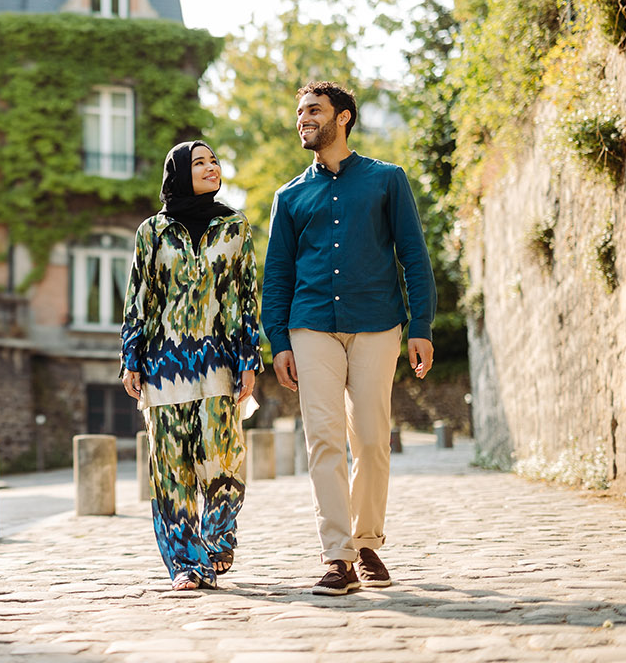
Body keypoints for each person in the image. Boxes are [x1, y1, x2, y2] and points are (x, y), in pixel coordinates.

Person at [262, 81, 436, 596]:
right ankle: (337, 555)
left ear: (343, 117)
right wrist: (279, 341)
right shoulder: (289, 196)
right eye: (299, 112)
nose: (303, 119)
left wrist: (420, 326)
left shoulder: (387, 181)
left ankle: (366, 542)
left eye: (313, 110)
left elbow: (415, 257)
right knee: (324, 440)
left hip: (377, 322)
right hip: (310, 323)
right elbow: (277, 276)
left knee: (370, 439)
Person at [120, 140, 262, 591]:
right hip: (163, 368)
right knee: (171, 472)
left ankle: (219, 539)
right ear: (179, 172)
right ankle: (187, 564)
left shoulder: (234, 227)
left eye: (215, 160)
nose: (211, 167)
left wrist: (248, 360)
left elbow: (245, 299)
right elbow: (139, 298)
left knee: (223, 463)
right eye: (199, 162)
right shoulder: (153, 232)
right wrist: (131, 358)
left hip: (219, 364)